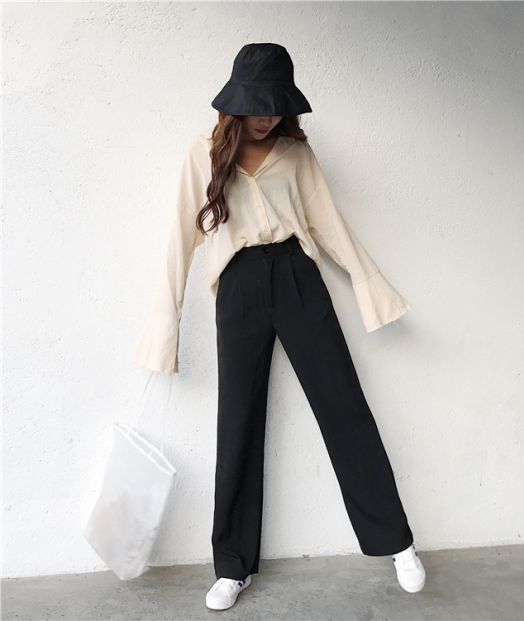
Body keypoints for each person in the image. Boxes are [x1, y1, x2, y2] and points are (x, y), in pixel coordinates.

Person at [132, 42, 426, 611]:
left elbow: (331, 225)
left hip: (296, 276)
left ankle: (397, 543)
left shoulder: (296, 153)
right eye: (257, 105)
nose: (266, 116)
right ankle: (232, 566)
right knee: (237, 423)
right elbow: (180, 239)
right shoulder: (203, 154)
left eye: (275, 105)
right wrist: (166, 324)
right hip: (238, 286)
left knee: (343, 405)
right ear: (236, 101)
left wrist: (372, 287)